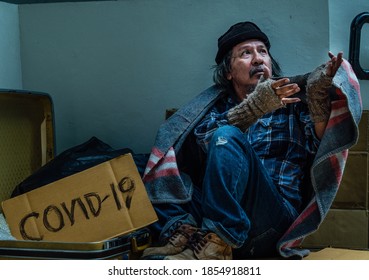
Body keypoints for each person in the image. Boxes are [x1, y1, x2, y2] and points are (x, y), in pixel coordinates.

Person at [139, 21, 359, 260]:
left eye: (262, 52)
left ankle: (219, 241)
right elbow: (203, 142)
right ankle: (188, 234)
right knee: (148, 164)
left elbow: (322, 145)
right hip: (218, 208)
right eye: (246, 53)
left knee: (226, 136)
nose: (257, 59)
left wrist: (317, 96)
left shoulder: (293, 107)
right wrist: (253, 109)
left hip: (271, 219)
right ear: (228, 72)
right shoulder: (216, 109)